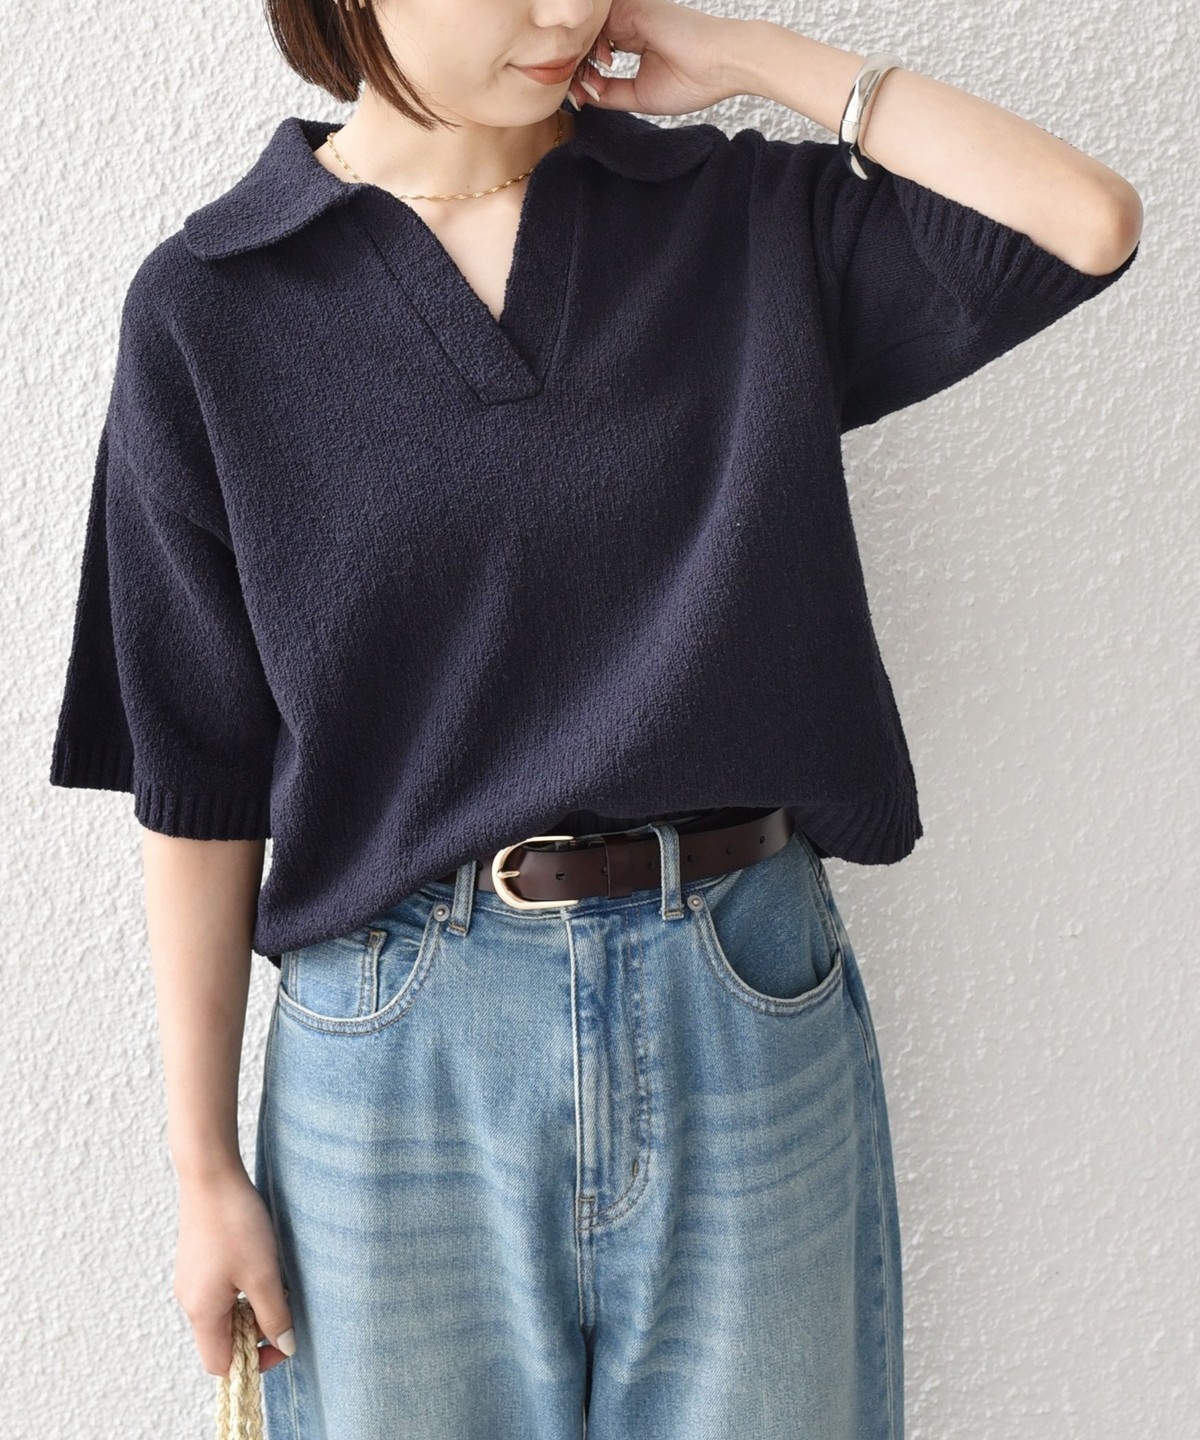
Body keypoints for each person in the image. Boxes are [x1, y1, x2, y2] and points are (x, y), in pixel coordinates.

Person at [48, 0, 1141, 1434]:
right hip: (398, 1052)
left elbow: (1083, 222)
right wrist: (203, 1170)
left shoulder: (734, 219)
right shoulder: (214, 306)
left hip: (740, 1002)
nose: (569, 8)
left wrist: (750, 62)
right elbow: (200, 773)